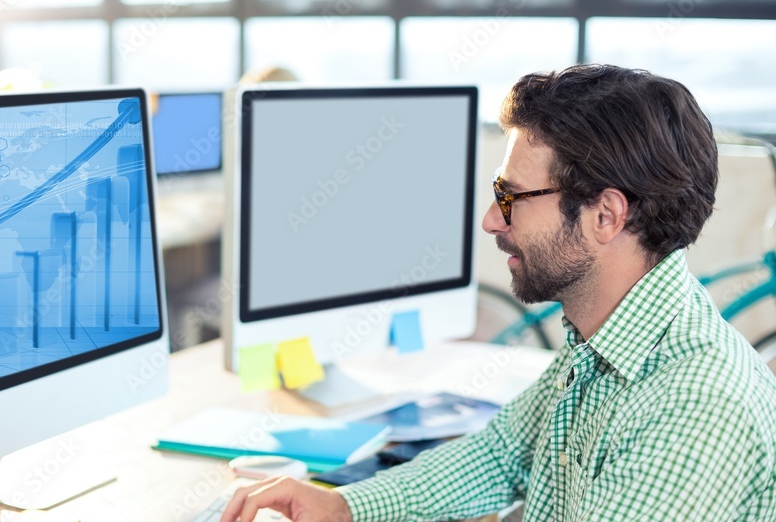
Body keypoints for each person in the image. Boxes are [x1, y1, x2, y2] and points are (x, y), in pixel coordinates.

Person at [220, 64, 776, 521]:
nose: (490, 220)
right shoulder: (606, 338)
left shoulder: (695, 404)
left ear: (605, 215)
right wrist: (342, 507)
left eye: (512, 198)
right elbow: (500, 456)